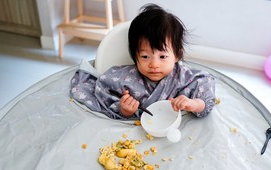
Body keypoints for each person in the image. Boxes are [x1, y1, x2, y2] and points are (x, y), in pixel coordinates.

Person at [70, 4, 216, 120]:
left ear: (177, 55)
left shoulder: (185, 77)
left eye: (163, 57)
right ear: (135, 55)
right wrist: (125, 110)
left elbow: (206, 94)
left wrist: (193, 104)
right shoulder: (122, 78)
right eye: (145, 57)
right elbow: (103, 93)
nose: (154, 64)